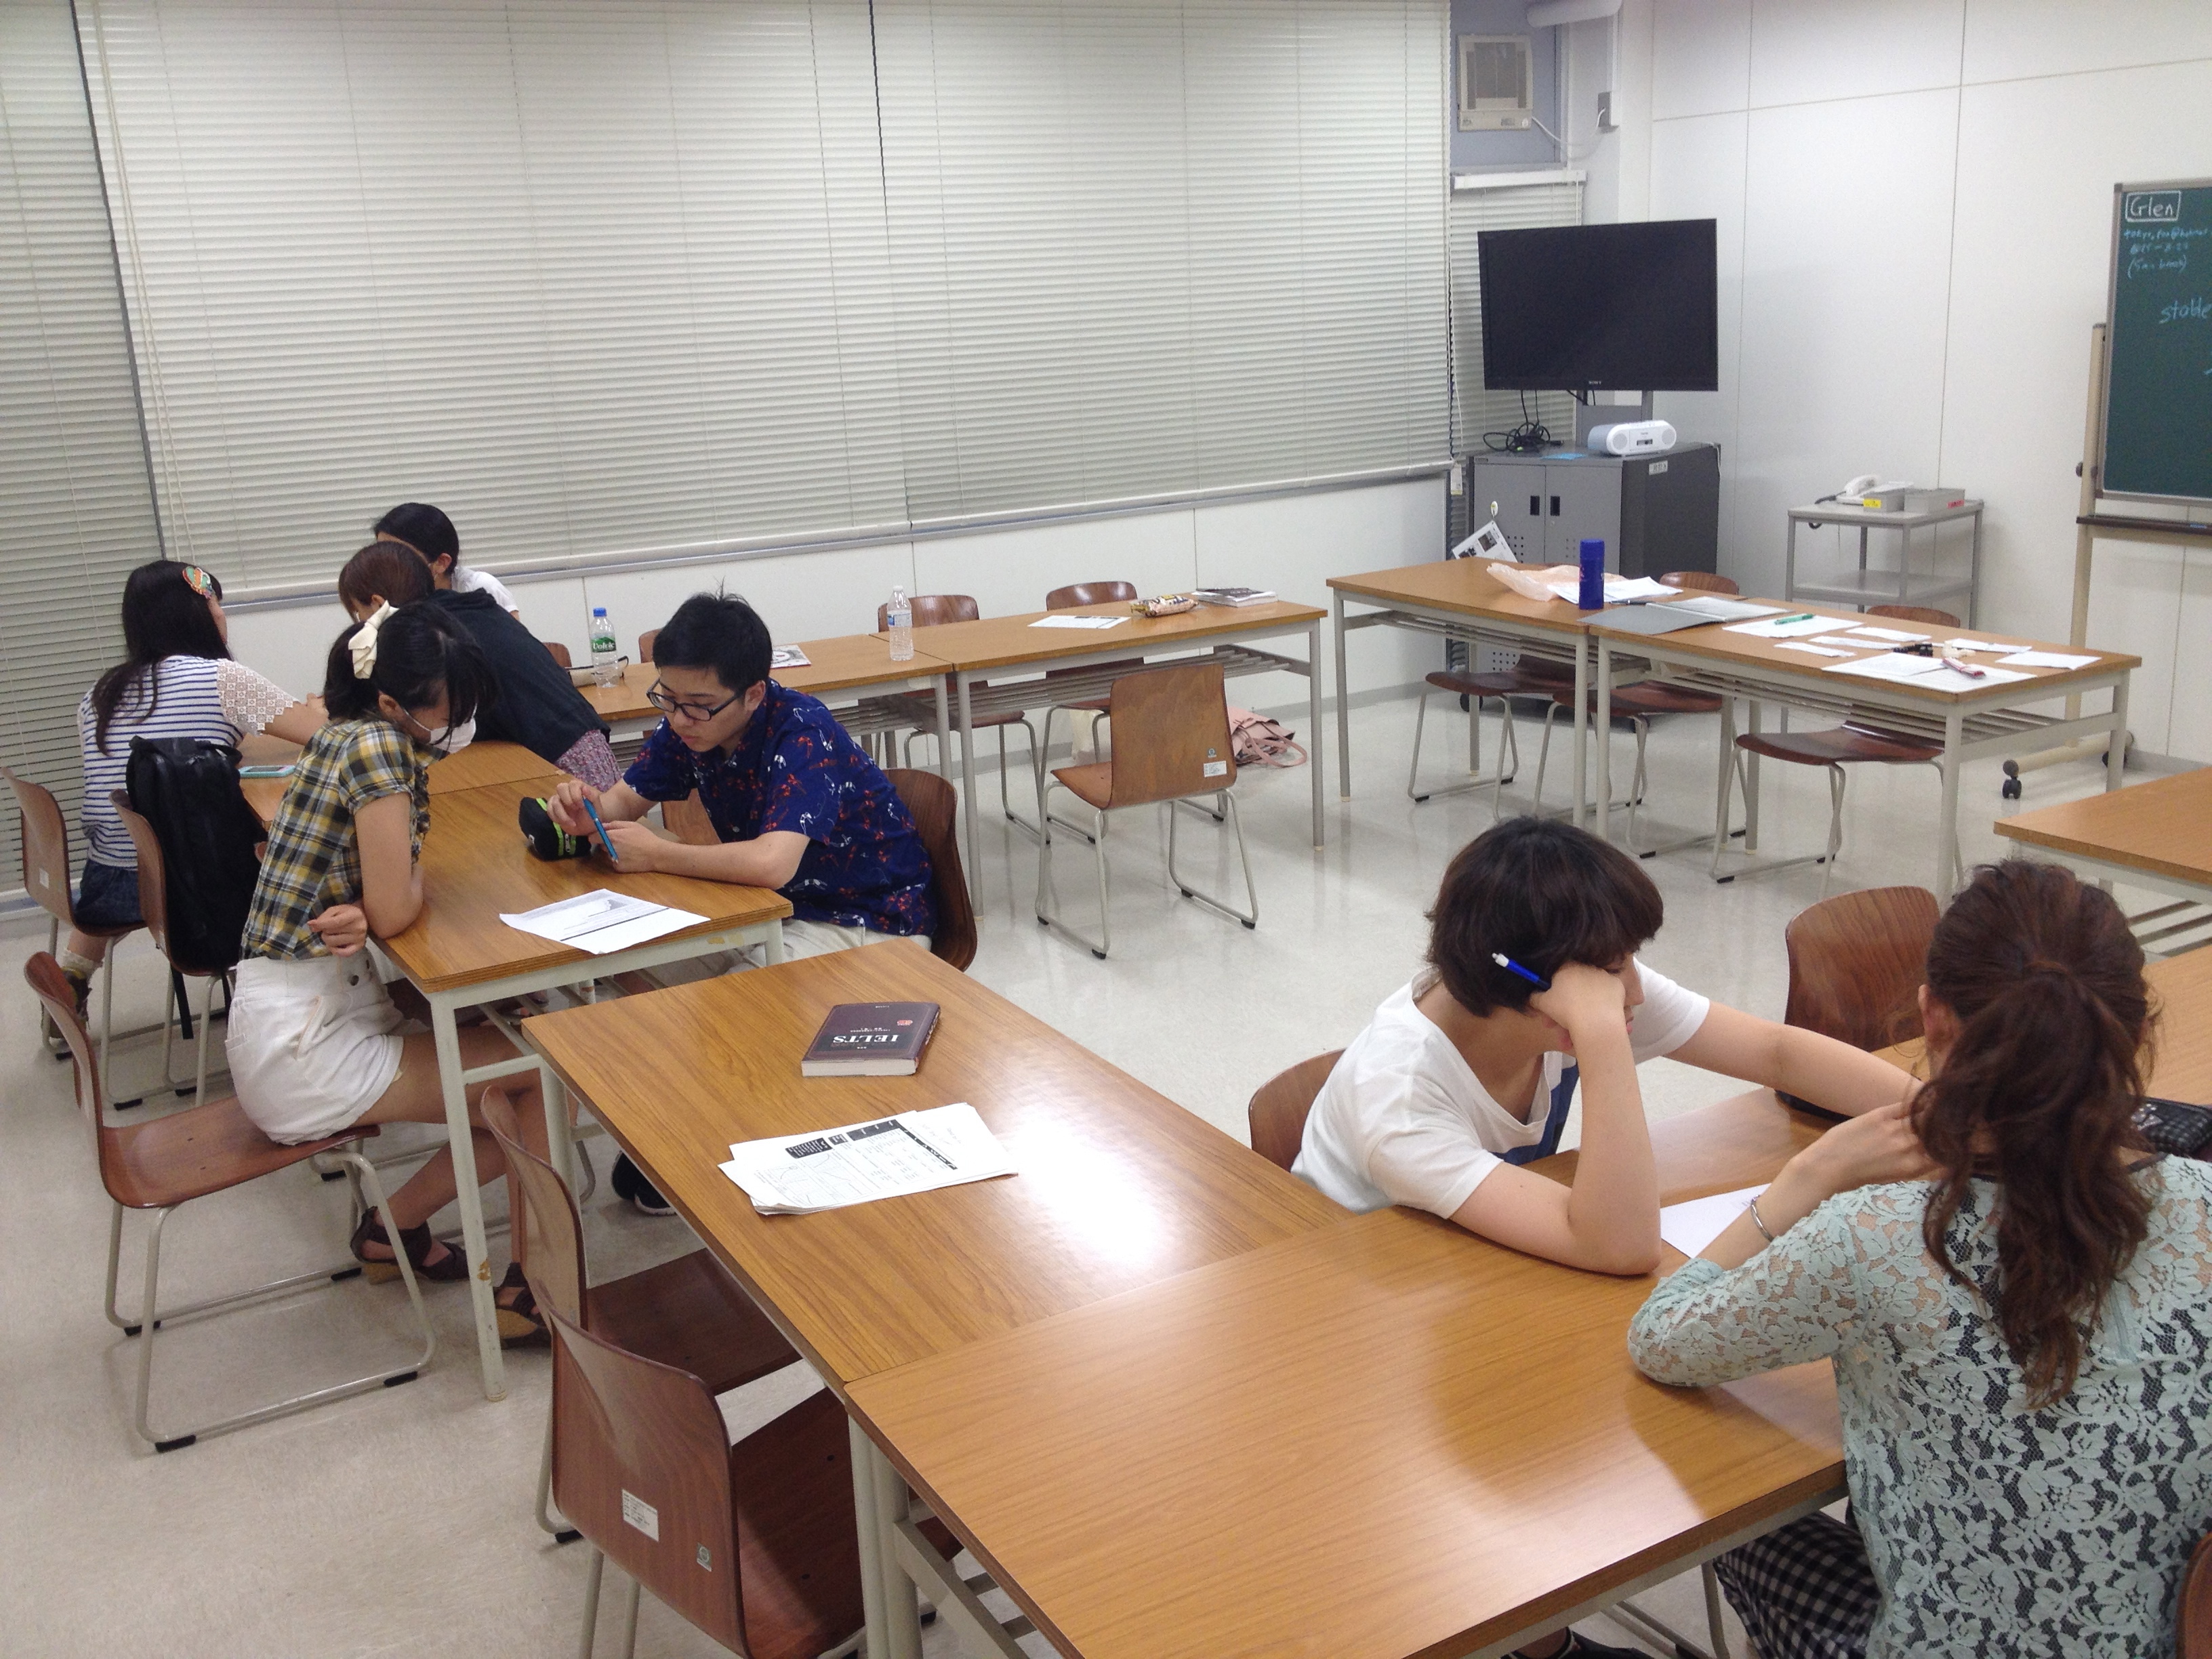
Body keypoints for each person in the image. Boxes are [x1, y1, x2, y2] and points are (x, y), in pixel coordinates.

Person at [1628, 860, 2212, 1658]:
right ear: (2138, 1035)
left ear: (1932, 1018)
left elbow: (1662, 1336)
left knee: (1733, 1513)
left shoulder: (1873, 1235)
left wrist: (1812, 1173)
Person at [1293, 817, 1916, 1277]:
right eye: (1615, 970)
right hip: (1368, 1289)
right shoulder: (1399, 1101)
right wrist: (1600, 1036)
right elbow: (1621, 1246)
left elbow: (1777, 1053)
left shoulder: (1560, 984)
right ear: (1527, 978)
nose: (1635, 991)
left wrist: (1940, 1114)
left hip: (1476, 1261)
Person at [224, 599, 554, 1342]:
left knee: (518, 1057)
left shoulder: (346, 732)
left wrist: (387, 896)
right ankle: (529, 1289)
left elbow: (383, 900)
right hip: (304, 1048)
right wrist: (401, 888)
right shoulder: (377, 749)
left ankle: (394, 1229)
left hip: (296, 1014)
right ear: (391, 702)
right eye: (448, 710)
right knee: (540, 1072)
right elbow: (396, 906)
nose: (458, 724)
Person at [545, 590, 935, 1214]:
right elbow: (622, 803)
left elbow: (771, 862)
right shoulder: (692, 722)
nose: (680, 719)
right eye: (668, 699)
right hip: (772, 907)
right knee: (628, 966)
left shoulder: (802, 731)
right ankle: (693, 1123)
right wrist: (585, 813)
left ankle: (724, 1141)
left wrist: (659, 853)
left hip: (868, 919)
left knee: (729, 1010)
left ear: (753, 693)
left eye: (698, 705)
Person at [66, 560, 323, 1014]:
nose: (223, 614)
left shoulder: (98, 696)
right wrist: (318, 708)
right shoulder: (223, 679)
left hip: (110, 884)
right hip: (197, 892)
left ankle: (72, 974)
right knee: (300, 850)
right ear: (199, 613)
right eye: (216, 603)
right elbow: (320, 734)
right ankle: (295, 994)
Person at [336, 537, 619, 789]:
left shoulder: (437, 637)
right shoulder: (467, 609)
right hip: (581, 746)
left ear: (377, 604)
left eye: (359, 614)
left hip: (559, 765)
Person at [373, 500, 520, 616]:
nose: (385, 564)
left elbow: (515, 641)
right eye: (381, 551)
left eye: (399, 555)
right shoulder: (383, 597)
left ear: (441, 562)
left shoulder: (481, 587)